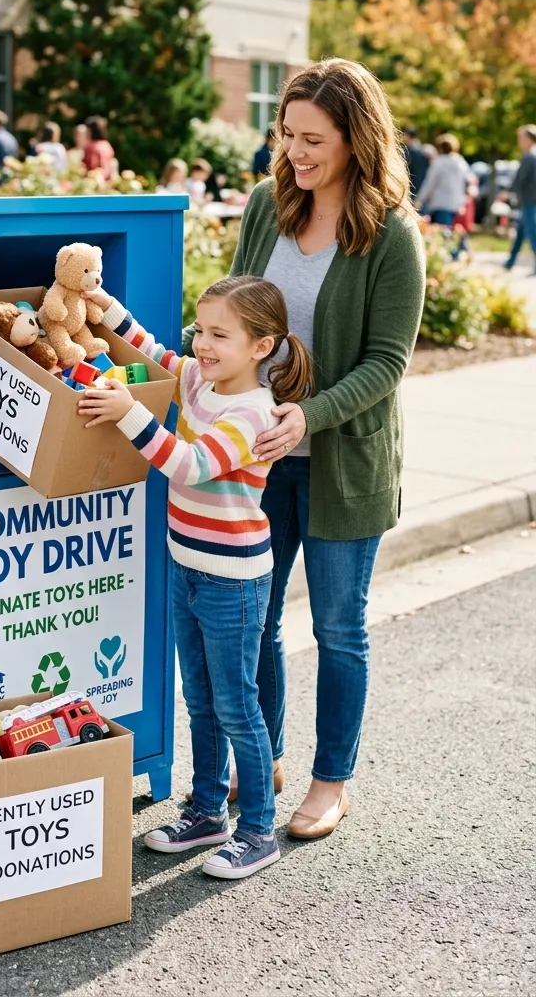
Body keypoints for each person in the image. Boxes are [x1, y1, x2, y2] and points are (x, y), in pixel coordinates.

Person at [182, 57, 425, 839]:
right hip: (255, 460)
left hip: (341, 462)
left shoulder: (392, 234)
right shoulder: (266, 205)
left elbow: (387, 362)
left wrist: (309, 416)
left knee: (337, 630)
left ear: (357, 138)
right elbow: (235, 313)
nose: (295, 152)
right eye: (286, 134)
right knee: (251, 620)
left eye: (313, 138)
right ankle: (268, 756)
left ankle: (331, 780)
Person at [78, 276, 314, 879]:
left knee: (238, 707)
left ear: (262, 347)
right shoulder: (200, 380)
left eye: (220, 335)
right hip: (188, 564)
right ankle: (208, 812)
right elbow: (156, 352)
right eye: (200, 331)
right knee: (200, 700)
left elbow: (188, 468)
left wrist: (131, 414)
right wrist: (105, 307)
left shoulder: (251, 413)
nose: (203, 345)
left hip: (233, 580)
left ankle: (258, 829)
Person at [417, 134, 474, 259]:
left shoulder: (439, 163)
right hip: (458, 204)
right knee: (456, 232)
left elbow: (429, 184)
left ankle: (451, 258)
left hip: (441, 203)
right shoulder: (460, 163)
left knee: (444, 233)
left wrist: (419, 200)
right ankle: (460, 255)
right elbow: (468, 181)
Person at [505, 125, 536, 274]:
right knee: (521, 233)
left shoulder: (529, 156)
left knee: (532, 233)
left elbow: (520, 180)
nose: (520, 142)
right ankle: (510, 262)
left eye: (522, 139)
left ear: (529, 140)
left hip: (529, 201)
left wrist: (508, 192)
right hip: (530, 200)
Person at [82, 115, 115, 181]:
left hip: (94, 179)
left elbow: (90, 165)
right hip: (108, 180)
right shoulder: (106, 145)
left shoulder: (92, 146)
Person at [402, 127, 430, 203]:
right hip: (417, 188)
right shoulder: (420, 151)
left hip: (413, 190)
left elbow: (417, 173)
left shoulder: (413, 152)